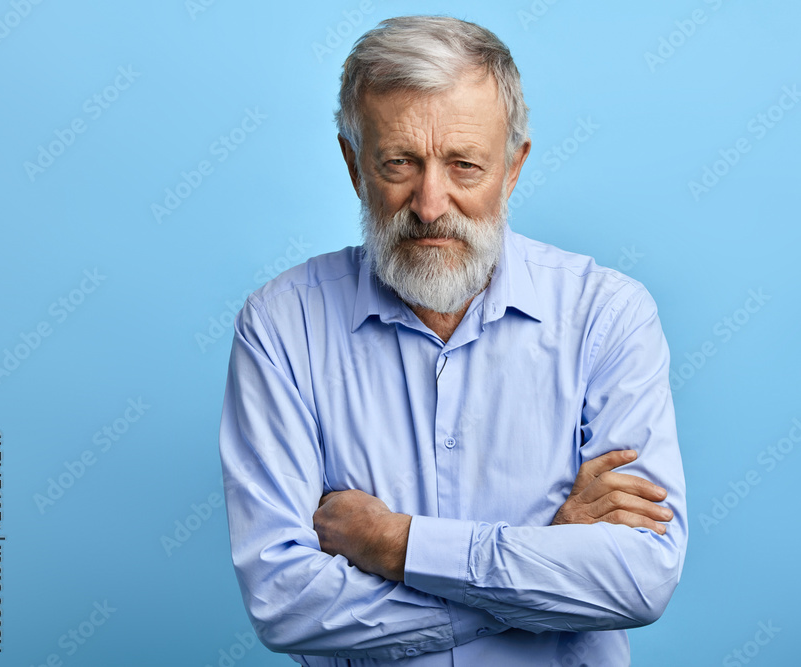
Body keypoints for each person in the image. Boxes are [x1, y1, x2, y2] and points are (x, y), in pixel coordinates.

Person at [219, 15, 687, 666]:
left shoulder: (609, 316)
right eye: (399, 163)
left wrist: (393, 543)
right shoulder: (280, 326)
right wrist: (544, 555)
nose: (431, 203)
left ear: (513, 167)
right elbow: (286, 602)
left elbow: (639, 578)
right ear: (355, 166)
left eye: (464, 165)